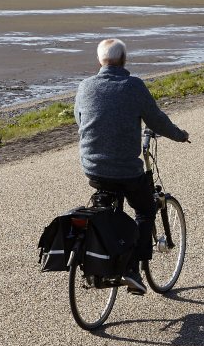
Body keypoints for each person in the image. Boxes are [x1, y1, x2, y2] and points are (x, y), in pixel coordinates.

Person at [73, 38, 189, 295]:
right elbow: (157, 121)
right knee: (146, 210)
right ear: (124, 60)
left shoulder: (85, 86)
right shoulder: (133, 86)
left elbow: (80, 119)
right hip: (125, 169)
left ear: (100, 61)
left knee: (108, 210)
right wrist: (180, 135)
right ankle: (133, 270)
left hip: (92, 169)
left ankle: (100, 262)